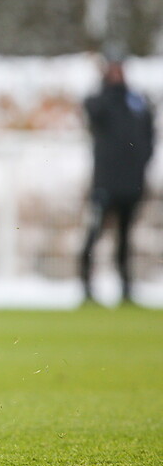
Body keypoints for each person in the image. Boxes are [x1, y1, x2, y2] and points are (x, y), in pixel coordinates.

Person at [79, 50, 155, 304]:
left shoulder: (137, 101)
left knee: (125, 238)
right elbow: (92, 113)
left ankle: (126, 289)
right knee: (95, 234)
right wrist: (104, 84)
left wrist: (142, 167)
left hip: (132, 183)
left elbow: (148, 137)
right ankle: (86, 287)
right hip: (105, 183)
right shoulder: (99, 99)